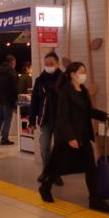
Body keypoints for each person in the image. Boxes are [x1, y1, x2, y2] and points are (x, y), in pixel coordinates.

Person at [38, 62, 109, 213]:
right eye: (81, 72)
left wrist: (104, 115)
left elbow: (88, 110)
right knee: (58, 167)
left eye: (85, 72)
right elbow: (62, 117)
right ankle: (45, 187)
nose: (84, 75)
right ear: (73, 74)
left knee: (90, 168)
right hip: (68, 138)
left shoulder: (83, 90)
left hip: (82, 135)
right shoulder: (65, 92)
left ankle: (94, 199)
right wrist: (70, 137)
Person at [29, 52, 64, 185]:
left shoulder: (64, 80)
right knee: (44, 148)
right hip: (45, 120)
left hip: (60, 121)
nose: (49, 66)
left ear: (57, 64)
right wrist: (32, 120)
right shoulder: (40, 81)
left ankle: (57, 174)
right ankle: (46, 171)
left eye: (51, 64)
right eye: (46, 64)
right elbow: (34, 101)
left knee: (59, 149)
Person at [0, 55, 18, 145]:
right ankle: (4, 138)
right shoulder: (11, 72)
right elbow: (14, 87)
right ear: (12, 62)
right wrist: (14, 99)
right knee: (7, 119)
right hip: (8, 99)